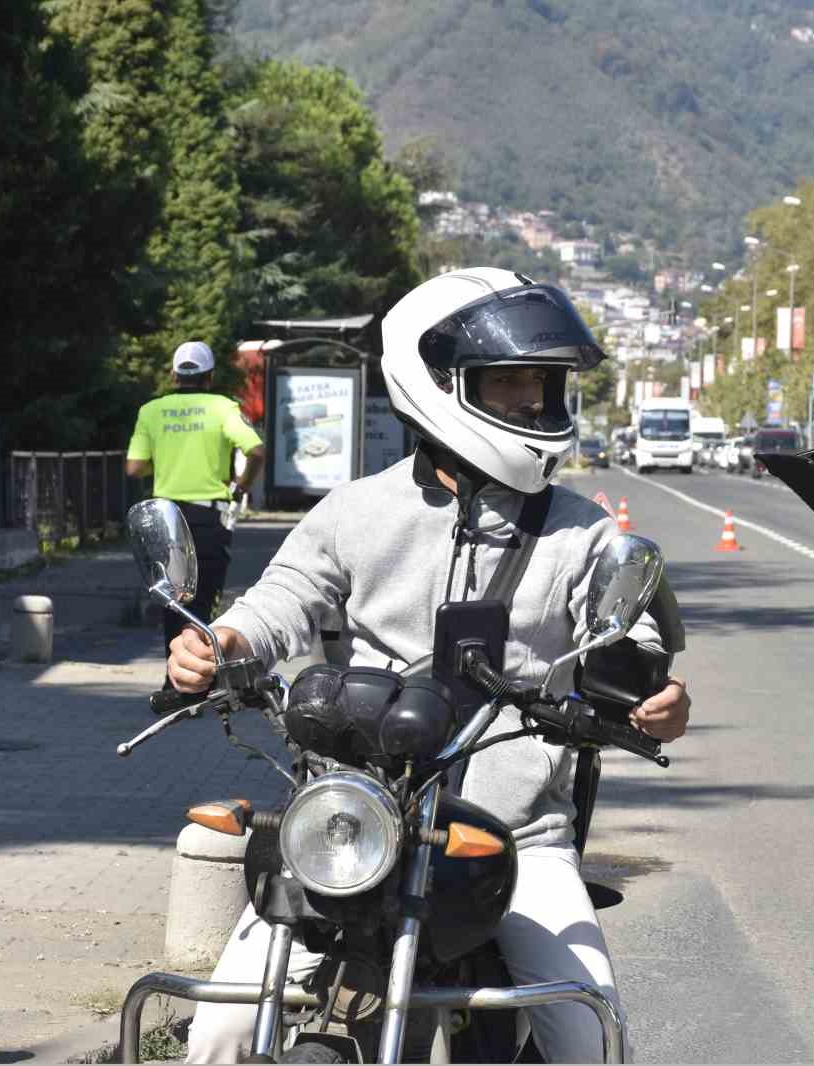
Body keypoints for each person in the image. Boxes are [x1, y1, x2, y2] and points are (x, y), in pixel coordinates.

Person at [168, 269, 692, 1063]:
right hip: (356, 823)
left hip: (517, 836)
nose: (529, 403)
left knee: (588, 1035)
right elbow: (281, 601)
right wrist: (221, 645)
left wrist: (654, 697)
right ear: (439, 382)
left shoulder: (585, 535)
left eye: (541, 386)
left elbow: (636, 648)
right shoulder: (356, 511)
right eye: (506, 383)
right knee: (222, 1029)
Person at [126, 341, 265, 667]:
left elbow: (135, 467)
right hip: (207, 518)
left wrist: (161, 464)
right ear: (210, 375)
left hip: (166, 521)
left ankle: (173, 678)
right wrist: (241, 485)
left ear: (175, 374)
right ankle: (199, 680)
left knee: (171, 602)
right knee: (202, 602)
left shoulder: (151, 411)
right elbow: (256, 451)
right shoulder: (223, 407)